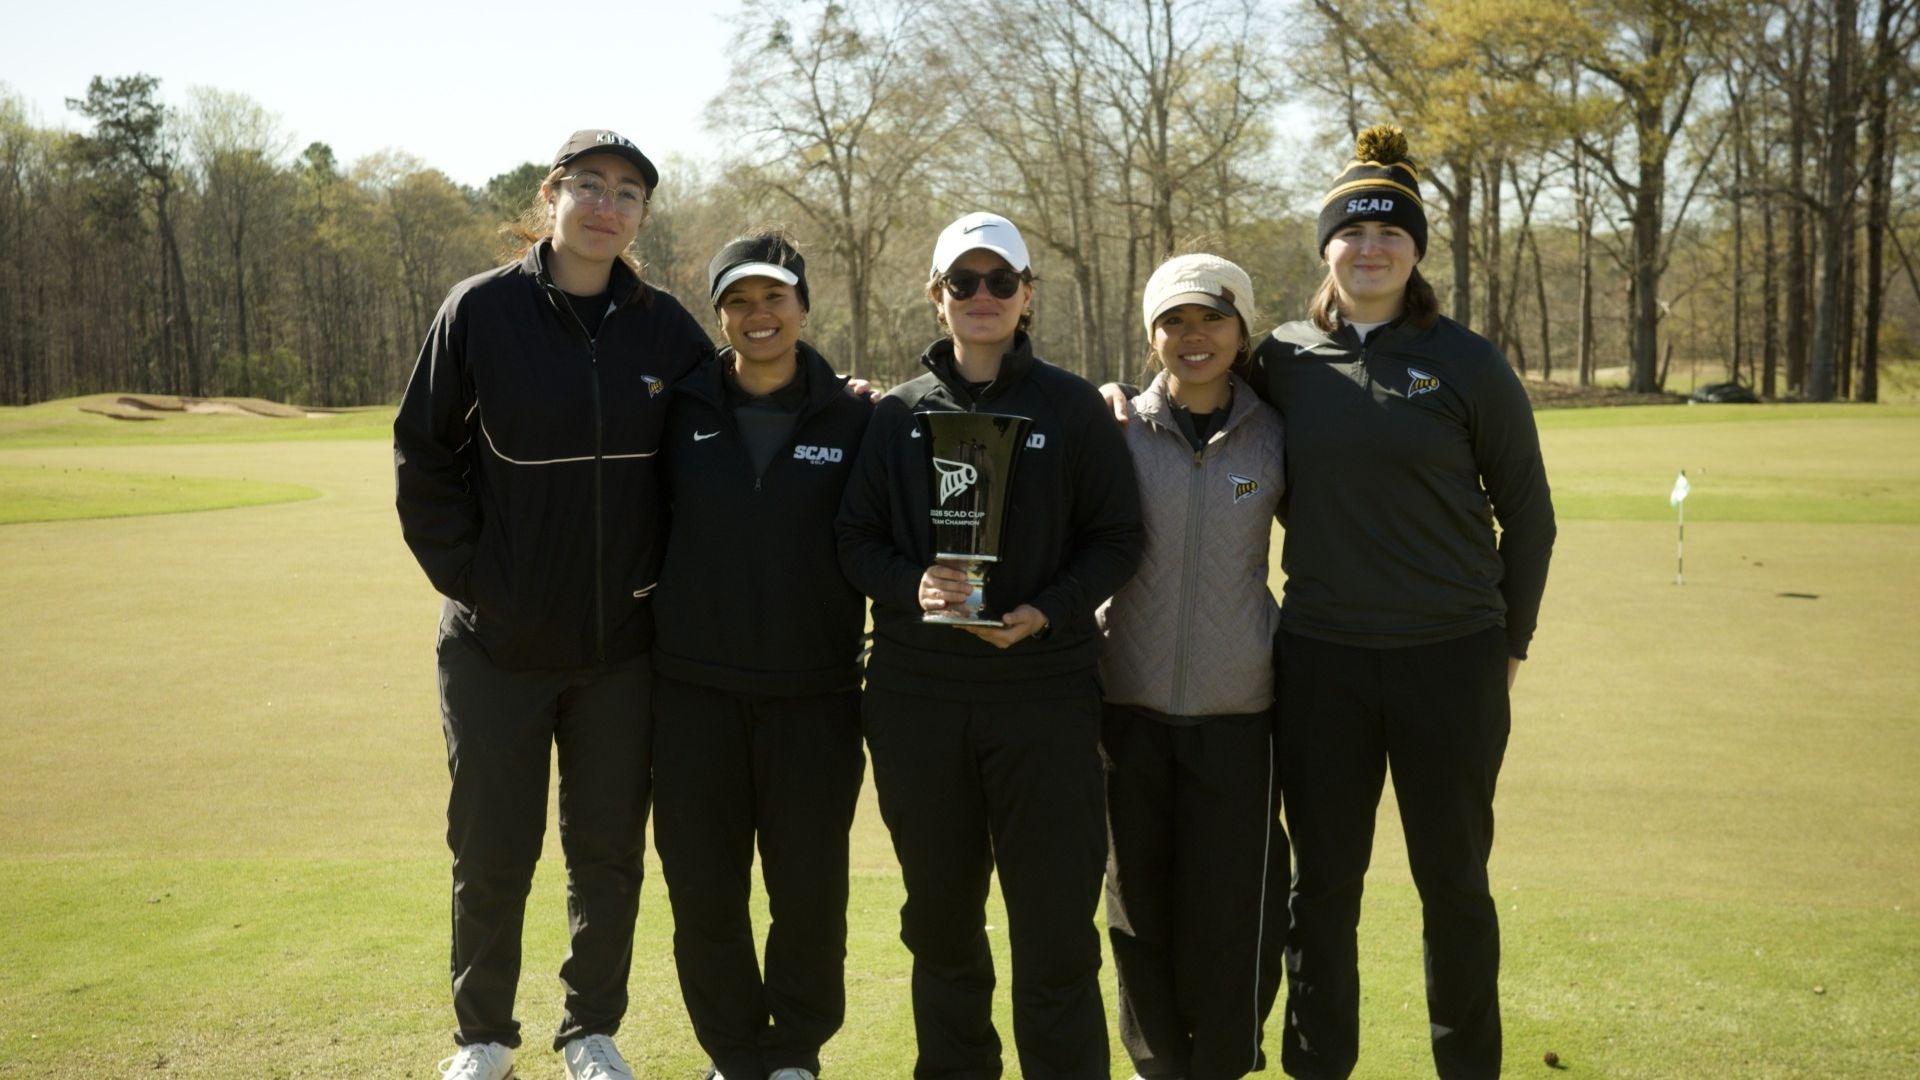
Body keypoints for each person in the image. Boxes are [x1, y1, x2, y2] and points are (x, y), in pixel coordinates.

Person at [394, 129, 713, 1080]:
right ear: (552, 196)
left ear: (642, 215)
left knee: (607, 852)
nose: (607, 206)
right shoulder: (480, 311)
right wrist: (478, 582)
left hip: (622, 645)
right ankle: (484, 1035)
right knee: (492, 850)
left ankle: (590, 1030)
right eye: (590, 187)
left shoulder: (665, 328)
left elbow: (733, 432)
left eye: (627, 193)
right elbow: (423, 457)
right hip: (497, 643)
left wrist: (849, 404)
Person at [1256, 125, 1555, 1079]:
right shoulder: (1281, 360)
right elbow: (1188, 405)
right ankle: (1317, 1067)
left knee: (1454, 885)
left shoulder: (1467, 363)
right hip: (1322, 662)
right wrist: (1115, 399)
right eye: (1352, 233)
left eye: (1390, 234)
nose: (1371, 248)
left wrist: (1509, 648)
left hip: (1452, 659)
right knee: (1322, 888)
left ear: (1416, 250)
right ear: (1327, 247)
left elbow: (1531, 518)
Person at [836, 211, 1144, 1079]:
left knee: (1052, 927)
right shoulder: (893, 416)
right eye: (962, 283)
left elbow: (1118, 538)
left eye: (999, 281)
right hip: (916, 700)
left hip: (1044, 697)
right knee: (940, 924)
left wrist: (1049, 610)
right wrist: (912, 584)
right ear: (937, 297)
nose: (981, 297)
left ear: (1026, 296)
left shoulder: (1075, 409)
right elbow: (853, 540)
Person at [649, 230, 872, 1080]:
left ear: (804, 307)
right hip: (692, 696)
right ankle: (735, 1054)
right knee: (705, 893)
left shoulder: (857, 418)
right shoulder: (677, 409)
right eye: (739, 301)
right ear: (721, 317)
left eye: (774, 297)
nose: (758, 315)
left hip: (814, 697)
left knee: (808, 894)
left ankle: (796, 1052)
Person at [1096, 253, 1289, 1080]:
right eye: (1173, 322)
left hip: (1240, 712)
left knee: (1235, 913)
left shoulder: (1280, 432)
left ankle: (1223, 1063)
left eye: (1211, 318)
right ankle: (1156, 1066)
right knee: (1138, 912)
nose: (1193, 336)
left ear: (1241, 329)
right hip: (1126, 708)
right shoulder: (1113, 429)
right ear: (1151, 338)